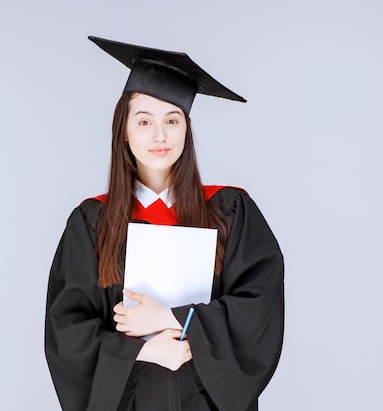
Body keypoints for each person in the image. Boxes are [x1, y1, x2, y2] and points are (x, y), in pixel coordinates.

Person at [44, 36, 284, 411]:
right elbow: (66, 332)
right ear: (123, 131)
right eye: (144, 121)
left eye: (172, 120)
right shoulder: (92, 223)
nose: (160, 136)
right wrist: (140, 351)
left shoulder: (229, 210)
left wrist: (177, 320)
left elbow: (258, 308)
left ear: (186, 129)